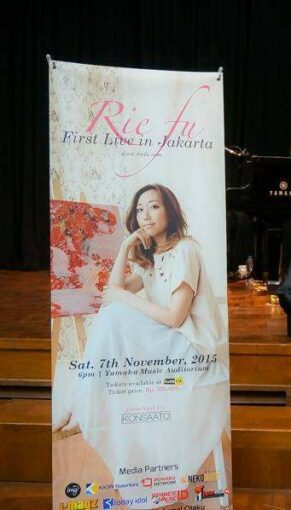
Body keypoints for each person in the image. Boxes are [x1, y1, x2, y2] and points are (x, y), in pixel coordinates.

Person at [52, 184, 229, 509]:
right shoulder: (151, 259)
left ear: (170, 211)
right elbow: (112, 293)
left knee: (116, 314)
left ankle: (78, 401)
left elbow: (175, 318)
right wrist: (125, 247)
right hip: (170, 347)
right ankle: (80, 400)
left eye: (154, 206)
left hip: (192, 350)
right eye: (140, 209)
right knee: (113, 313)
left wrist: (124, 298)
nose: (145, 215)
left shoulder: (186, 250)